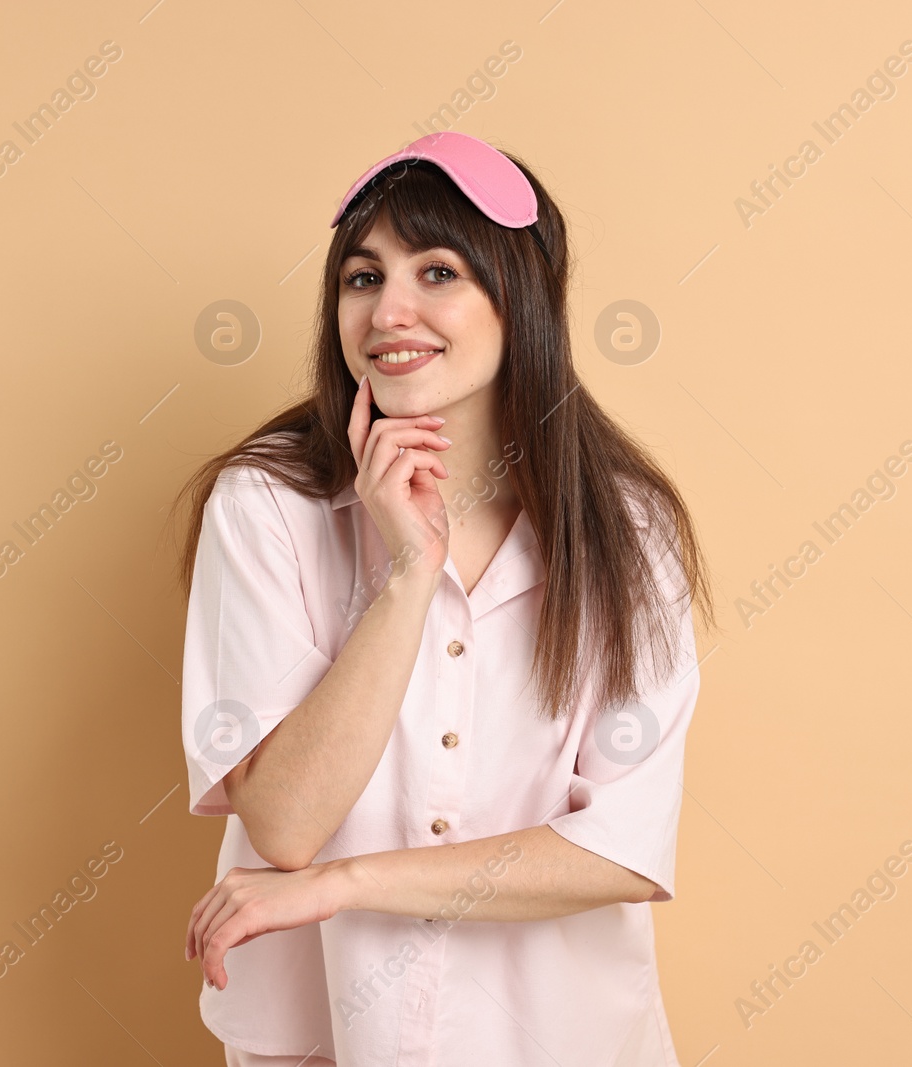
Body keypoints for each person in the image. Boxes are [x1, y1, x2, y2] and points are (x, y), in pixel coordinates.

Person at [172, 130, 717, 1066]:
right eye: (361, 276)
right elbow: (285, 822)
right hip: (328, 1038)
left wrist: (345, 885)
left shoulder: (630, 529)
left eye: (438, 272)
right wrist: (407, 575)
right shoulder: (267, 503)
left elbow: (619, 848)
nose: (390, 310)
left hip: (558, 1039)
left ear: (522, 301)